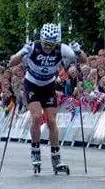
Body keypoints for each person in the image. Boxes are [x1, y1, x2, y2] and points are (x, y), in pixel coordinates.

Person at [9, 23, 80, 174]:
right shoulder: (33, 47)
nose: (48, 48)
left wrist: (79, 51)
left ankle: (56, 158)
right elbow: (11, 62)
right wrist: (21, 53)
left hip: (48, 86)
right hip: (32, 85)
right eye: (46, 44)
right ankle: (35, 151)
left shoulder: (62, 49)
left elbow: (82, 60)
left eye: (51, 45)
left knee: (52, 121)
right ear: (41, 39)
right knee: (36, 117)